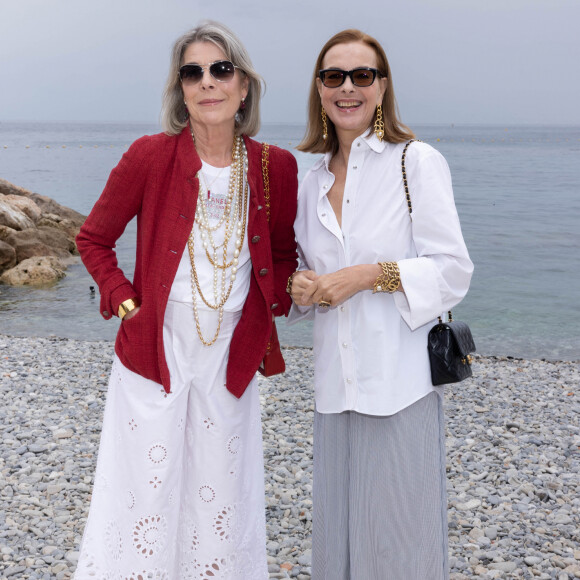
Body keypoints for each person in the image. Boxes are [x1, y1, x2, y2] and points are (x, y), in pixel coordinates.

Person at [74, 21, 298, 579]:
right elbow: (93, 239)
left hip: (230, 356)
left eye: (221, 70)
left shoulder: (276, 167)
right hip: (156, 348)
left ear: (244, 87)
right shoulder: (150, 156)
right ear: (181, 89)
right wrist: (128, 304)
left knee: (220, 492)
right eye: (192, 72)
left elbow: (283, 256)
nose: (208, 82)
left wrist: (298, 297)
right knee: (145, 491)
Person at [288, 29, 473, 580]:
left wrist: (369, 275)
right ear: (319, 90)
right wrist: (305, 288)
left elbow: (454, 271)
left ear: (382, 86)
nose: (348, 87)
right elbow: (308, 282)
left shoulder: (415, 162)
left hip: (399, 383)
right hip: (334, 386)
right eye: (333, 76)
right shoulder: (310, 179)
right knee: (341, 540)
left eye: (361, 75)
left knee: (400, 541)